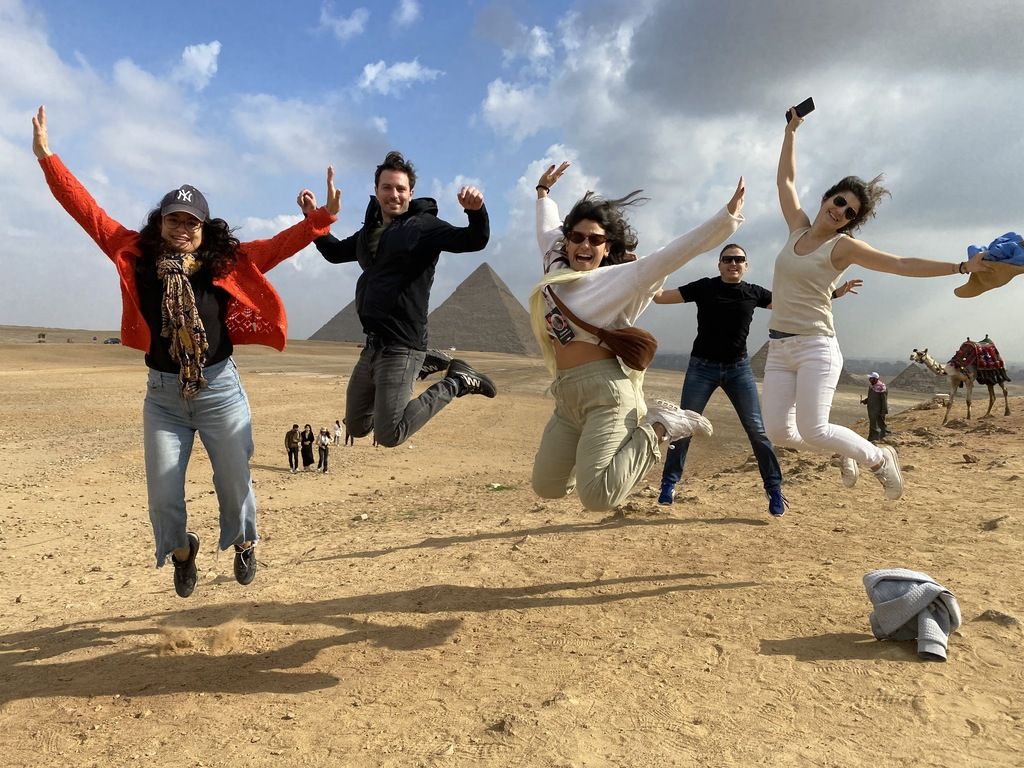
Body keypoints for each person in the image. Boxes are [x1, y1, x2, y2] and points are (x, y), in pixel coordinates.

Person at [31, 105, 340, 597]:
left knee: (236, 481)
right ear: (161, 223)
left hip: (219, 389)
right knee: (163, 495)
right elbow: (86, 211)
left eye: (192, 220)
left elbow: (280, 246)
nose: (183, 226)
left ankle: (242, 542)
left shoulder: (228, 261)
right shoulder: (135, 254)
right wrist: (48, 158)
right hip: (163, 396)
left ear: (204, 226)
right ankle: (183, 552)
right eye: (174, 218)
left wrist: (321, 219)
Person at [763, 107, 990, 501]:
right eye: (838, 201)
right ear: (827, 197)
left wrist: (959, 266)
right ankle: (845, 449)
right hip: (779, 347)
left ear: (850, 223)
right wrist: (791, 131)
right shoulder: (796, 227)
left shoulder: (843, 247)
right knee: (781, 433)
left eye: (849, 213)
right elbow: (785, 178)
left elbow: (900, 264)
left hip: (816, 346)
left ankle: (880, 459)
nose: (840, 212)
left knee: (814, 429)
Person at [528, 161, 744, 512]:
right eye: (577, 237)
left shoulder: (617, 279)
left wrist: (726, 219)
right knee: (547, 486)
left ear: (606, 245)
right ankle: (596, 456)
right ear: (567, 241)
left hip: (607, 394)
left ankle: (659, 426)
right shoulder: (555, 263)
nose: (585, 245)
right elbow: (545, 228)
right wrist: (542, 192)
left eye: (596, 240)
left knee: (598, 497)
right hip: (567, 397)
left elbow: (674, 254)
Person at [297, 151, 496, 449]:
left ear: (411, 193)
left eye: (400, 188)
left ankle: (457, 381)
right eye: (387, 187)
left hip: (403, 343)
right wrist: (312, 217)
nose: (394, 194)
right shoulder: (370, 233)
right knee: (357, 425)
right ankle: (426, 363)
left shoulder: (424, 227)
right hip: (373, 345)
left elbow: (473, 240)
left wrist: (476, 212)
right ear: (376, 191)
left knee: (390, 434)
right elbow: (334, 252)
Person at [651, 241, 864, 515]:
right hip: (701, 368)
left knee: (758, 431)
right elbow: (658, 296)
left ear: (746, 265)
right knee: (683, 427)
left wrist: (834, 293)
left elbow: (794, 302)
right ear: (719, 264)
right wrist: (649, 269)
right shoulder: (704, 287)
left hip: (738, 369)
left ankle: (774, 489)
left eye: (739, 259)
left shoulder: (753, 293)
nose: (733, 263)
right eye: (728, 259)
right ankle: (669, 484)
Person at [862, 372, 889, 442]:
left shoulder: (882, 388)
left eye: (871, 378)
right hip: (871, 410)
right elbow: (871, 397)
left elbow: (884, 401)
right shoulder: (872, 386)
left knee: (878, 425)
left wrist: (883, 411)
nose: (869, 380)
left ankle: (876, 439)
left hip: (878, 411)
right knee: (873, 425)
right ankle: (872, 439)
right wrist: (865, 401)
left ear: (875, 379)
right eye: (869, 378)